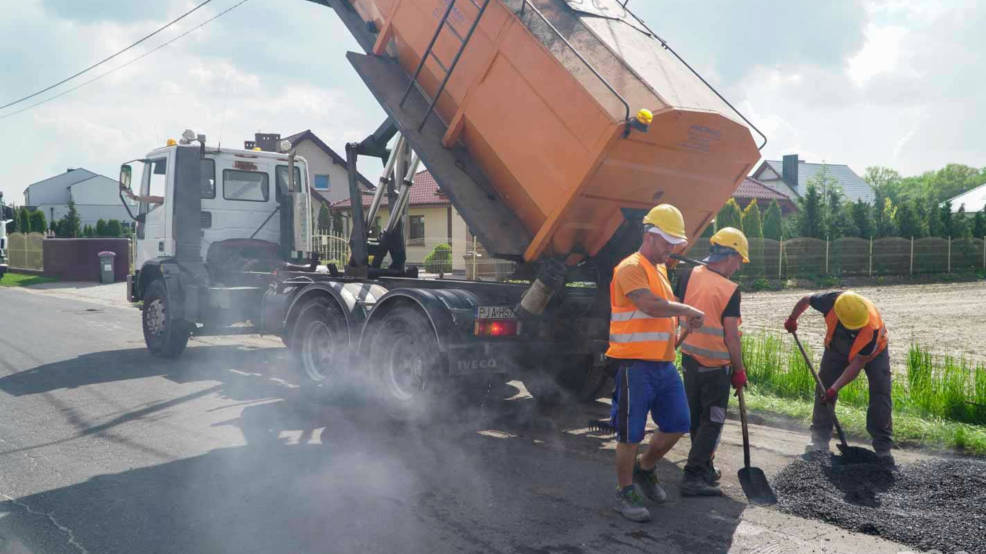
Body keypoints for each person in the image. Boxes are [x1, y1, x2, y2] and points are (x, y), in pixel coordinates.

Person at [606, 203, 704, 522]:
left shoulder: (660, 269)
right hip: (634, 368)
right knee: (629, 434)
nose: (670, 251)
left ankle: (645, 468)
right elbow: (649, 306)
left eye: (674, 244)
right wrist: (686, 310)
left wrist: (682, 328)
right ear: (650, 236)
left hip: (662, 365)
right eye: (666, 243)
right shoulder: (629, 267)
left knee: (678, 423)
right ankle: (625, 490)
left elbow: (662, 315)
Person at [674, 227, 749, 496]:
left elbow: (675, 312)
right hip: (715, 369)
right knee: (714, 420)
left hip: (689, 361)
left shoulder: (687, 275)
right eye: (739, 260)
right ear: (729, 256)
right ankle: (693, 475)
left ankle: (704, 466)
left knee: (697, 418)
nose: (739, 267)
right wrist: (739, 370)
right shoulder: (730, 289)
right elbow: (731, 337)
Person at [784, 290, 893, 464]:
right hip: (836, 347)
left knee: (881, 392)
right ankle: (819, 441)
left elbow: (856, 364)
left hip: (874, 353)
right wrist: (792, 319)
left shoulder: (871, 329)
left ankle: (883, 449)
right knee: (823, 387)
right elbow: (806, 299)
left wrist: (835, 389)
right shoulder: (832, 301)